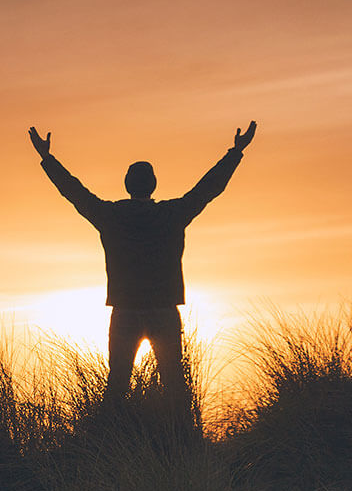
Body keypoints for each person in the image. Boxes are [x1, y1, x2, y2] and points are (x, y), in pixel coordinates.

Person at [29, 121, 256, 416]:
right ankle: (181, 442)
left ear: (127, 185)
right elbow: (208, 188)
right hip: (163, 310)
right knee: (174, 384)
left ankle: (108, 444)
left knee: (117, 385)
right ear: (153, 185)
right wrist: (236, 152)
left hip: (125, 311)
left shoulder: (109, 215)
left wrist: (47, 158)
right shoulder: (172, 214)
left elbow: (73, 191)